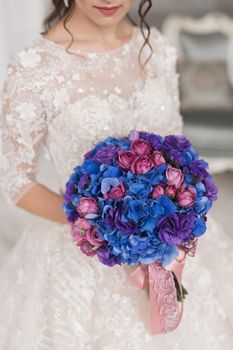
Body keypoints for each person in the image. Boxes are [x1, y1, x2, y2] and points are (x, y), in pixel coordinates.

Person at [0, 0, 233, 349]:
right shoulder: (35, 67)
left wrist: (172, 217)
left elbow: (175, 146)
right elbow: (15, 181)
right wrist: (99, 227)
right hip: (84, 256)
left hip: (168, 242)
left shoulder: (156, 47)